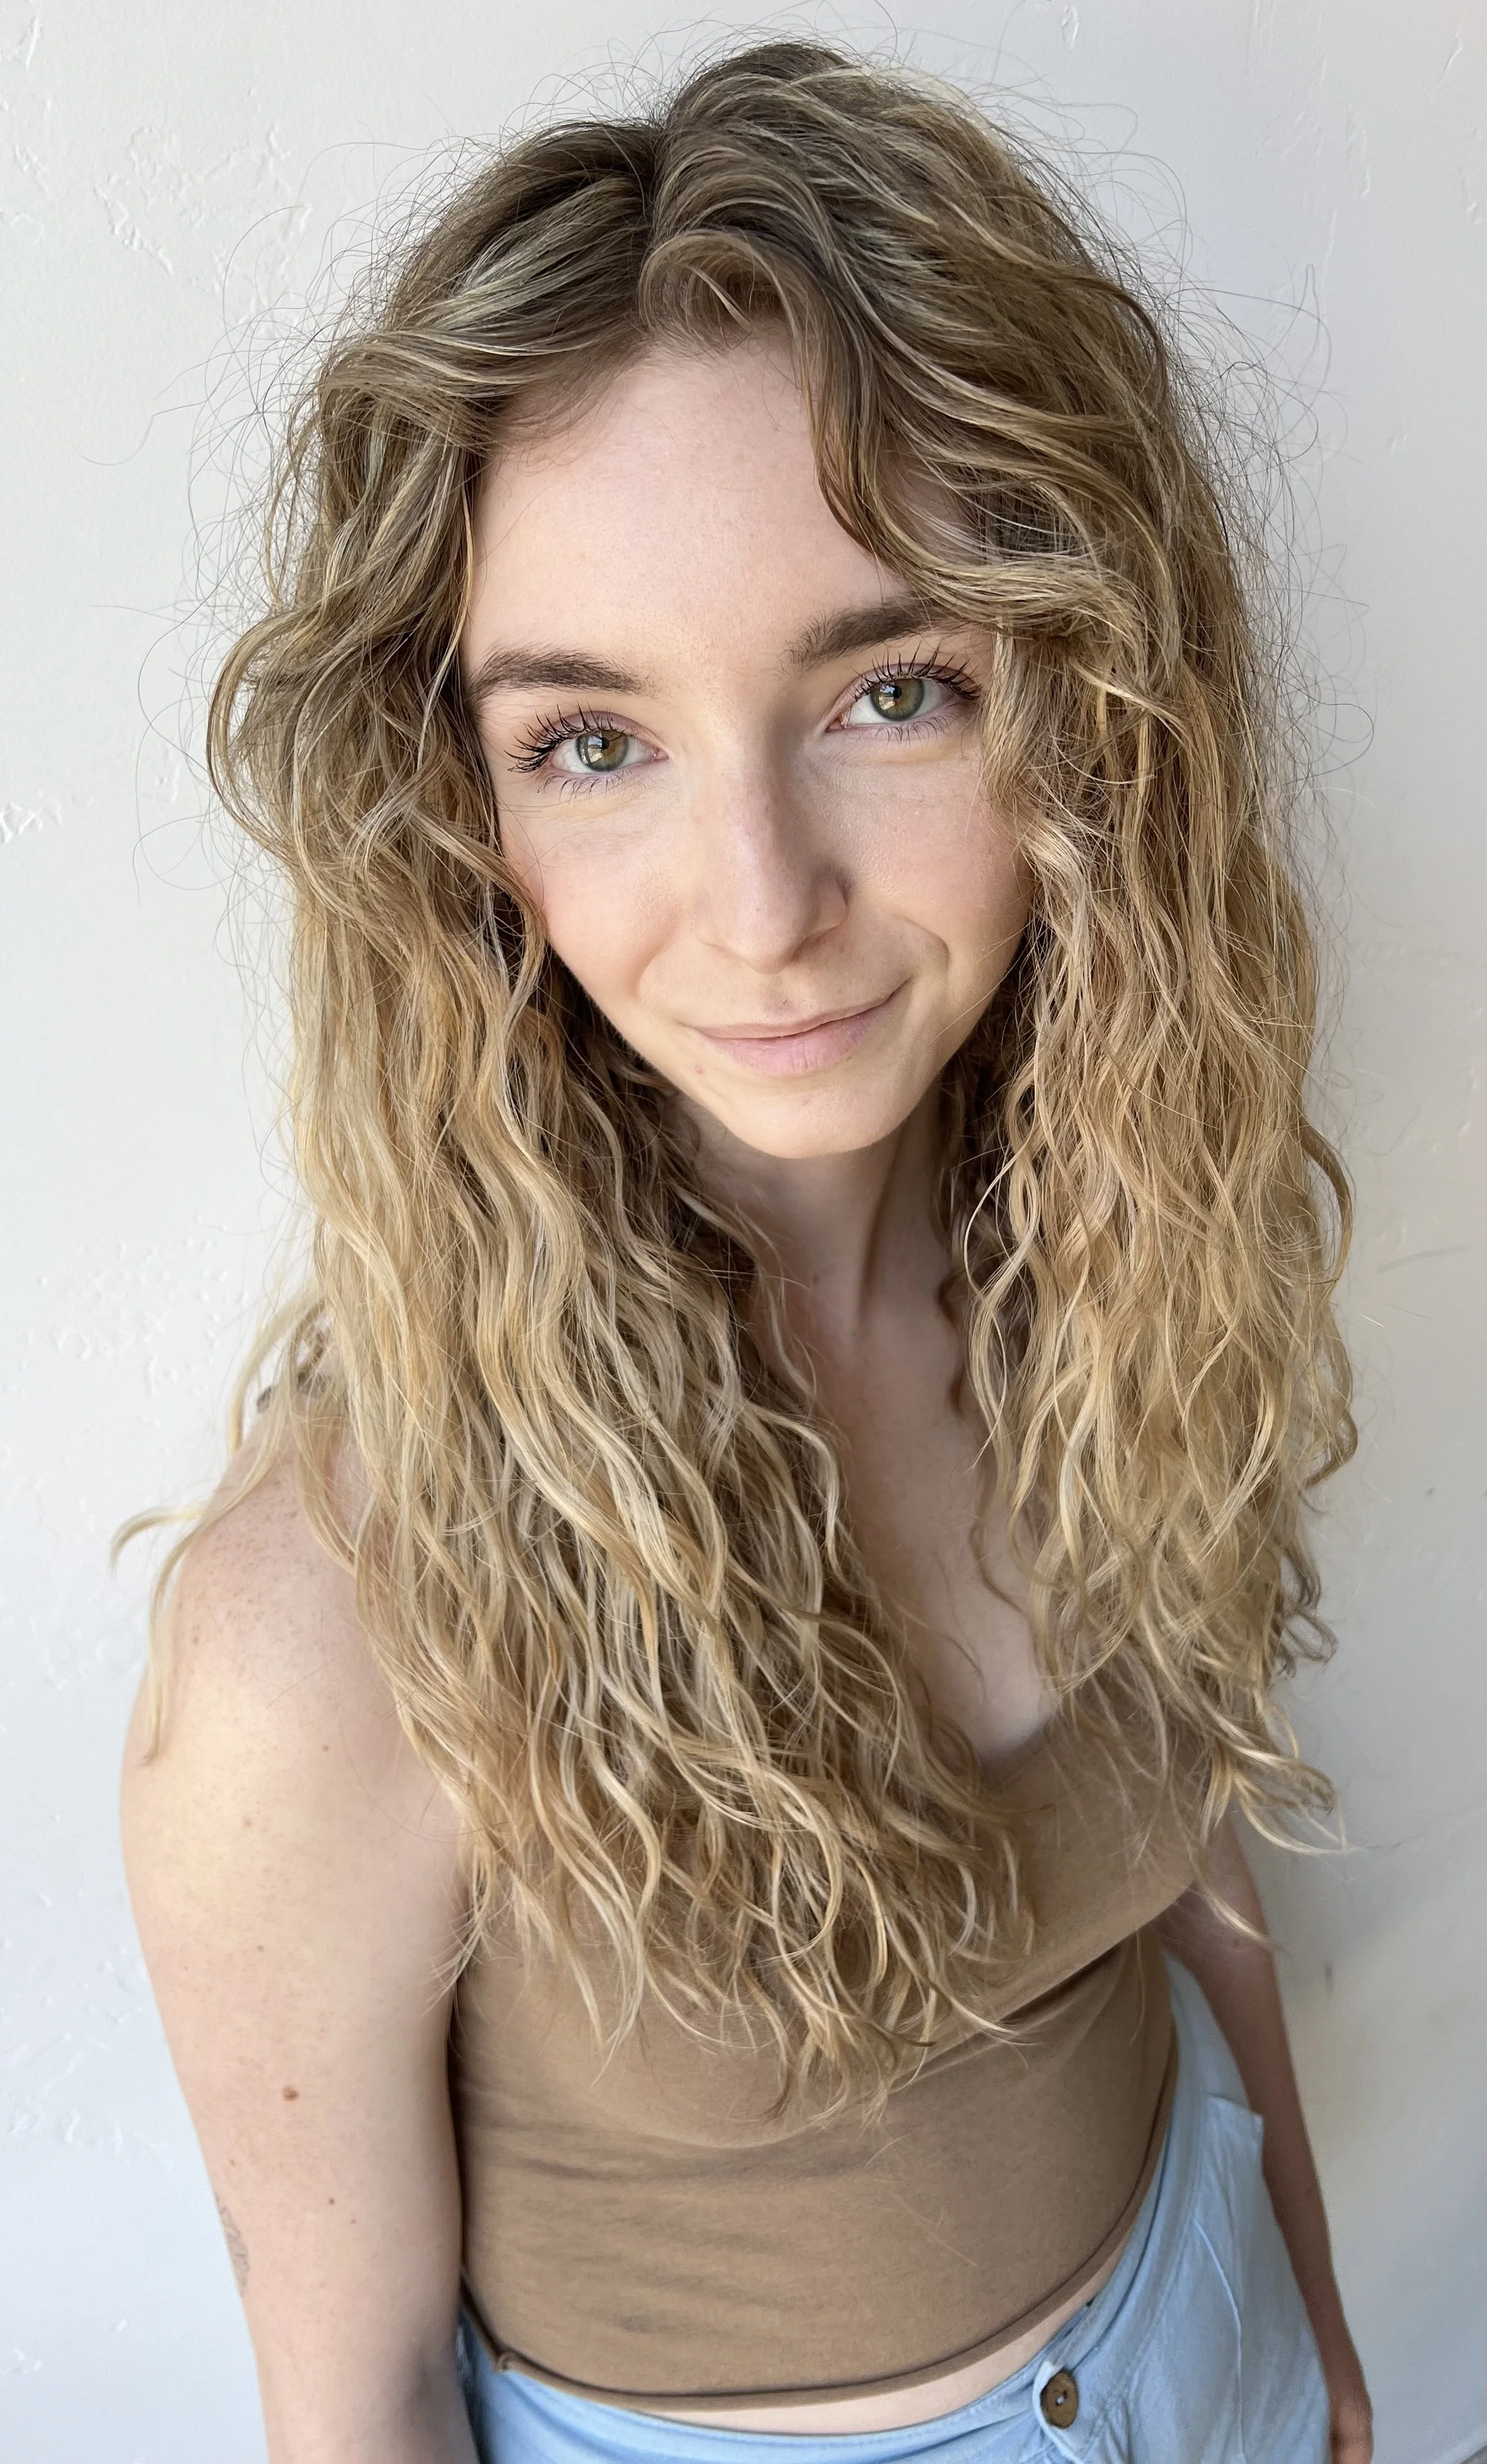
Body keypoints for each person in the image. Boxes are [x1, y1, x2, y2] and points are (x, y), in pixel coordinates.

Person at [119, 40, 1375, 2464]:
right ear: (453, 806)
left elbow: (1200, 1870)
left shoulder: (1117, 1261)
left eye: (888, 692)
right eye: (593, 739)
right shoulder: (325, 1628)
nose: (767, 909)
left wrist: (1310, 2329)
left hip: (1193, 2323)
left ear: (1088, 712)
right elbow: (354, 2392)